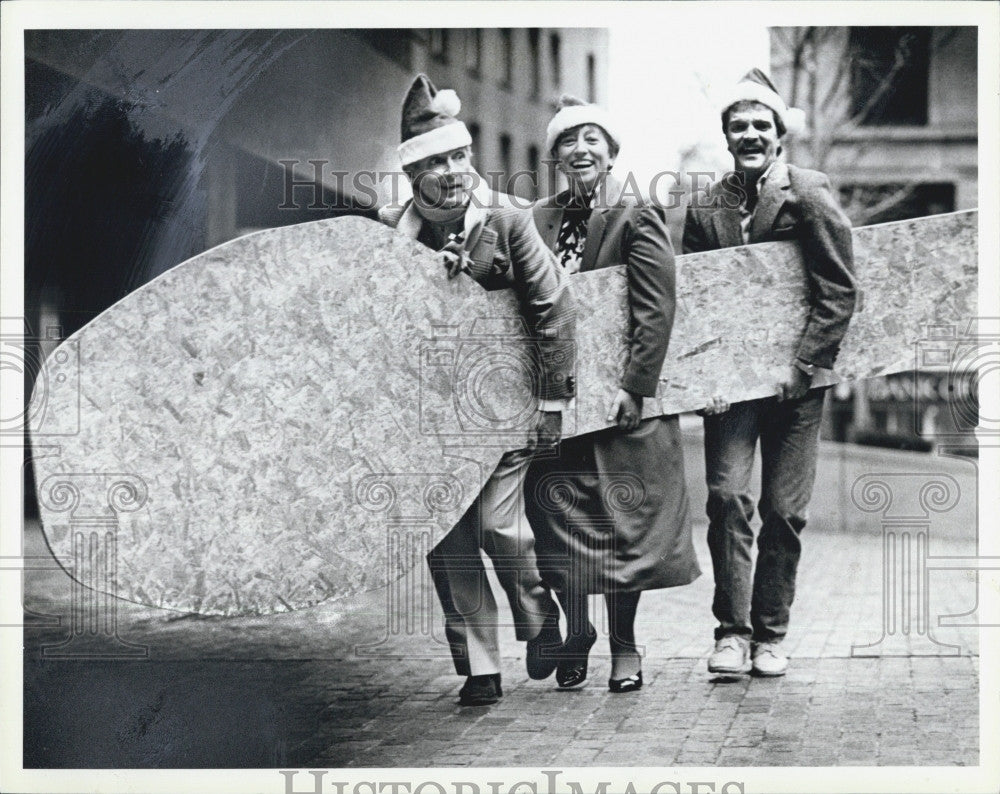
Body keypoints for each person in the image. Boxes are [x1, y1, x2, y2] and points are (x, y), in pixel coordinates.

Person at [378, 75, 576, 706]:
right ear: (414, 177)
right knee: (449, 540)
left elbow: (553, 308)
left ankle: (539, 616)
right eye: (436, 162)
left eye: (459, 156)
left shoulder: (509, 222)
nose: (453, 172)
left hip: (503, 404)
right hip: (429, 413)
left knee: (499, 528)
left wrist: (553, 399)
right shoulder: (387, 234)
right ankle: (481, 667)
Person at [682, 69, 857, 677]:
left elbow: (838, 288)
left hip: (800, 385)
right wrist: (703, 379)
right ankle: (730, 634)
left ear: (779, 134)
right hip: (733, 385)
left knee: (785, 510)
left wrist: (805, 364)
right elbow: (697, 300)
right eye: (739, 126)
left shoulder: (808, 190)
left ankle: (770, 637)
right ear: (726, 137)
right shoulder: (707, 206)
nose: (750, 134)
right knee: (727, 497)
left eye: (761, 125)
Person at [524, 95, 700, 693]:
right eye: (568, 141)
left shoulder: (635, 214)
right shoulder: (534, 218)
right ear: (554, 156)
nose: (580, 149)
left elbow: (656, 309)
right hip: (557, 400)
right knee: (561, 521)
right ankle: (578, 632)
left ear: (612, 151)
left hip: (621, 402)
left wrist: (636, 387)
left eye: (592, 139)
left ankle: (625, 648)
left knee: (624, 527)